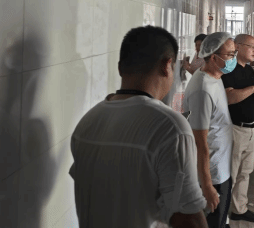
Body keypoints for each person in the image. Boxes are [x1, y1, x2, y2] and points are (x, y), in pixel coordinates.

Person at [69, 26, 208, 228]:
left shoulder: (88, 122)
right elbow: (188, 219)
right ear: (166, 65)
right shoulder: (170, 127)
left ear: (120, 68)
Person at [183, 32, 236, 228]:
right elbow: (199, 141)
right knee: (213, 222)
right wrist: (207, 186)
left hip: (221, 165)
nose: (233, 58)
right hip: (213, 174)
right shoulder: (202, 89)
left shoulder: (214, 77)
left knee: (220, 220)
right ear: (213, 57)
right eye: (230, 54)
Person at [221, 34, 254, 222]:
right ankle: (221, 214)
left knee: (245, 171)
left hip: (253, 127)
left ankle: (239, 209)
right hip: (235, 129)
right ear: (237, 46)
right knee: (231, 173)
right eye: (251, 46)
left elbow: (253, 95)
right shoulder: (228, 69)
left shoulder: (249, 70)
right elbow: (230, 97)